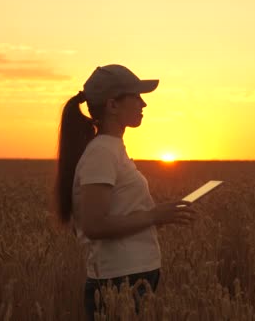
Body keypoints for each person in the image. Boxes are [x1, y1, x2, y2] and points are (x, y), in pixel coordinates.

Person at [54, 64, 198, 319]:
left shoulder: (112, 149)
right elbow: (95, 225)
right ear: (112, 105)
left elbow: (120, 214)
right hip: (118, 281)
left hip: (130, 277)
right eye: (136, 96)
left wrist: (161, 216)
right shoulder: (101, 153)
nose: (143, 104)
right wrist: (154, 216)